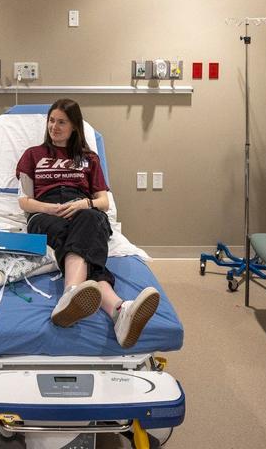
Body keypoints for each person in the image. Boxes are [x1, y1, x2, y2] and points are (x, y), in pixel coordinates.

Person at [16, 99, 160, 348]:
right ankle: (118, 309)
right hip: (46, 214)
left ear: (75, 126)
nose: (54, 127)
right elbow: (24, 201)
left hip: (82, 210)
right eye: (51, 121)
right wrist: (50, 208)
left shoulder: (89, 158)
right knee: (86, 243)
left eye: (62, 122)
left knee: (90, 219)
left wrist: (85, 204)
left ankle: (73, 294)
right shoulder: (33, 155)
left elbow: (103, 202)